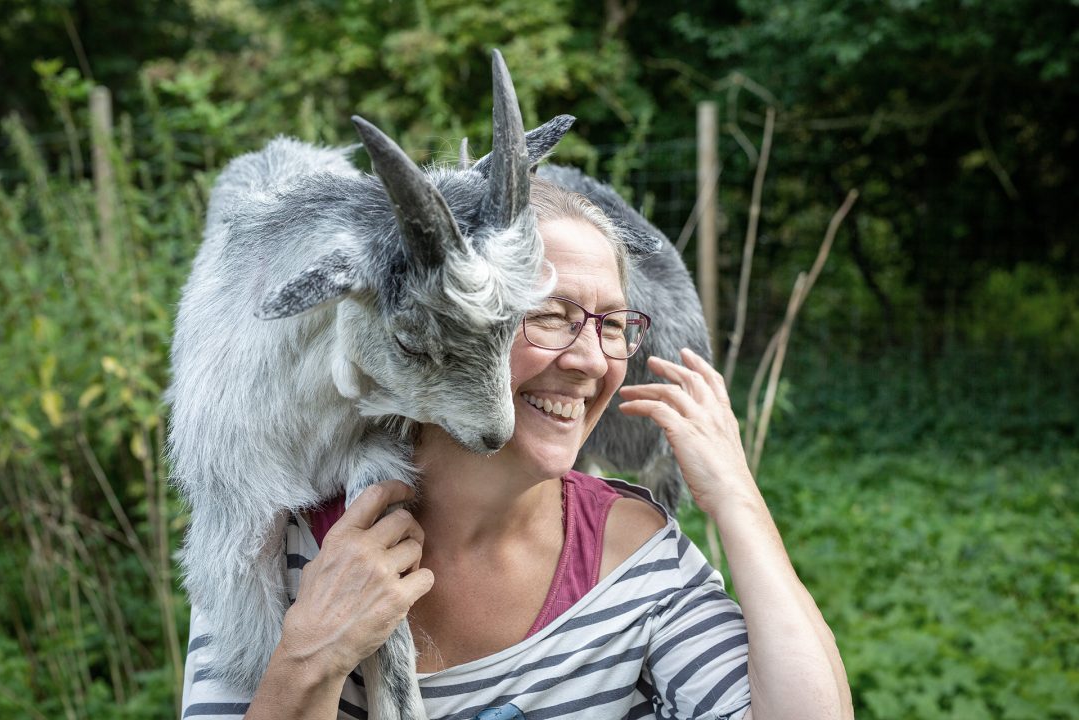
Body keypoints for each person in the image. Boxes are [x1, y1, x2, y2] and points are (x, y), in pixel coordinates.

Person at [182, 178, 853, 720]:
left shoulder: (637, 563)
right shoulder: (280, 548)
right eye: (550, 314)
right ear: (460, 321)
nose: (592, 358)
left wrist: (736, 496)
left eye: (614, 325)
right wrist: (310, 657)